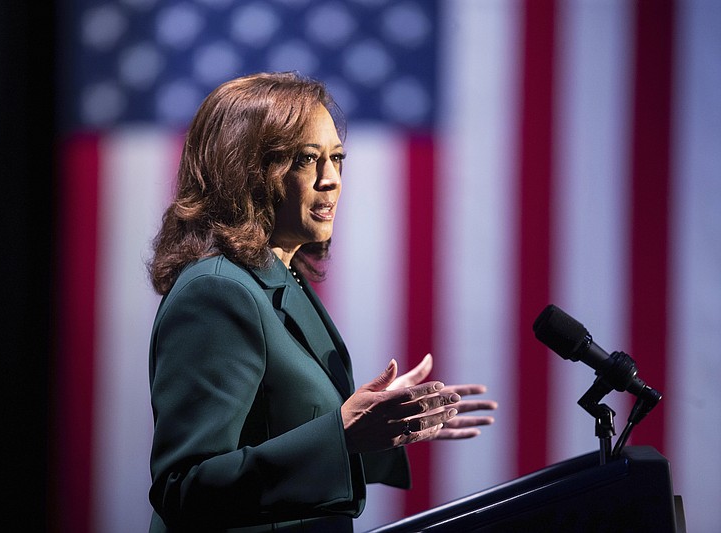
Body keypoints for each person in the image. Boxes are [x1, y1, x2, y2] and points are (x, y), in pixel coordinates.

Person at [146, 71, 498, 532]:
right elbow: (184, 487)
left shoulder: (280, 279)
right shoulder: (218, 292)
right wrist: (342, 434)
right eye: (307, 159)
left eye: (336, 158)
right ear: (246, 169)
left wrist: (385, 423)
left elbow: (288, 432)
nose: (330, 180)